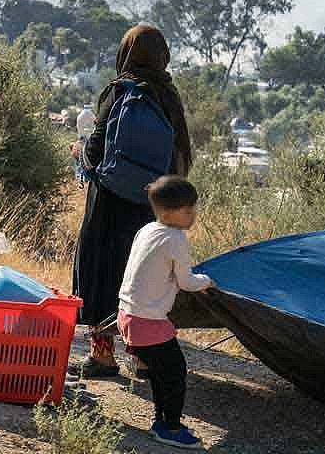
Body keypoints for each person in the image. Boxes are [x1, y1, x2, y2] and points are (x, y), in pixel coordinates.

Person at [73, 24, 193, 377]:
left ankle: (103, 355)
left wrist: (80, 154)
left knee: (101, 271)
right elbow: (181, 158)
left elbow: (95, 152)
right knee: (144, 277)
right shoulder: (168, 96)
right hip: (151, 207)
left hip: (108, 202)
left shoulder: (119, 91)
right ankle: (143, 357)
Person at [117, 175, 214, 449]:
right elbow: (186, 282)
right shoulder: (176, 239)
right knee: (174, 374)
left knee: (162, 373)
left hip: (126, 314)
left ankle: (162, 421)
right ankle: (170, 427)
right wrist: (207, 281)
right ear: (168, 212)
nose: (193, 215)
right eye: (188, 210)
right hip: (148, 321)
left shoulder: (147, 230)